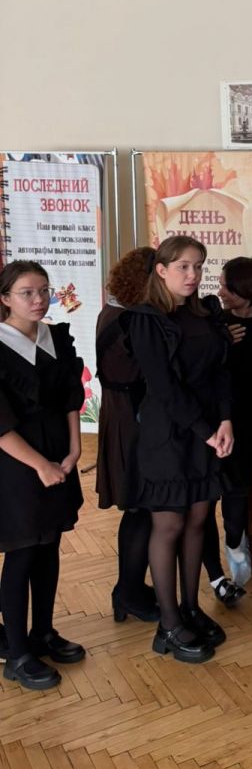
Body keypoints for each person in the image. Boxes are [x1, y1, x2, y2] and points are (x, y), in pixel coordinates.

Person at [128, 237, 233, 663]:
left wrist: (225, 420)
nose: (193, 275)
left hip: (207, 430)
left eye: (199, 266)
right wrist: (206, 429)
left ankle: (190, 609)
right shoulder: (145, 319)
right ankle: (168, 625)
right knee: (169, 525)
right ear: (161, 270)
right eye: (184, 267)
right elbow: (163, 386)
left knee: (198, 520)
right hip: (168, 435)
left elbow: (222, 370)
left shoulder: (206, 311)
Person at [0, 261, 85, 690]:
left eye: (43, 291)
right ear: (5, 299)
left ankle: (43, 633)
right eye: (27, 293)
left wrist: (75, 448)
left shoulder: (57, 338)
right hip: (17, 466)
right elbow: (1, 426)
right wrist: (41, 465)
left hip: (58, 458)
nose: (38, 300)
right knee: (22, 552)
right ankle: (17, 653)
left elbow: (71, 398)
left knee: (49, 546)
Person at [201, 256, 252, 607]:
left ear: (247, 290)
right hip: (212, 419)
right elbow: (202, 370)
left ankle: (235, 541)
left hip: (248, 418)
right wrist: (220, 343)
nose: (220, 292)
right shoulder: (215, 321)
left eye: (227, 286)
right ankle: (216, 570)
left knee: (238, 488)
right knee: (209, 494)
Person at [95, 246, 159, 625]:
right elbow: (133, 377)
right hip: (132, 424)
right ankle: (128, 592)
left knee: (143, 511)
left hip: (127, 419)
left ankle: (130, 588)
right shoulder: (127, 320)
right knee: (141, 510)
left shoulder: (118, 312)